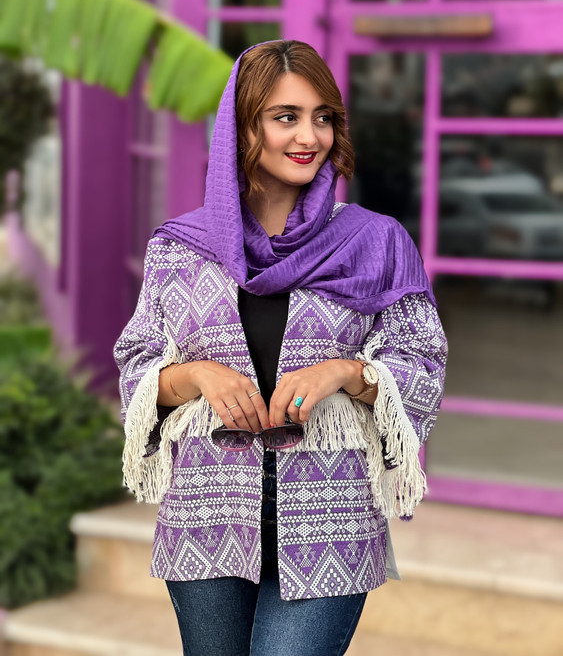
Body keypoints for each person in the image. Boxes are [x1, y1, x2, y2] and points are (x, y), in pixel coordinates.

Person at [114, 40, 448, 656]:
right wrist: (195, 376)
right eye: (285, 117)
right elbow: (137, 363)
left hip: (331, 513)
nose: (309, 136)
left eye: (323, 117)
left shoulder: (376, 240)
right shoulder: (179, 247)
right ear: (243, 128)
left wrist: (346, 372)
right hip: (207, 510)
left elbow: (421, 360)